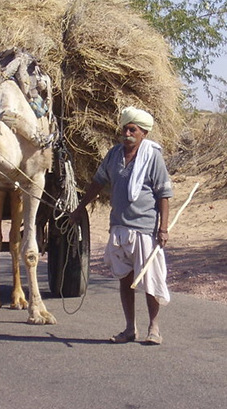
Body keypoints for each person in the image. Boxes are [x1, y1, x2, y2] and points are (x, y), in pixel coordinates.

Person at [69, 106, 173, 345]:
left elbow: (164, 194)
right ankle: (129, 329)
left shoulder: (152, 156)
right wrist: (79, 208)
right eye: (125, 128)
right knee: (125, 279)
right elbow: (98, 182)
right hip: (119, 227)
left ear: (143, 133)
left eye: (132, 129)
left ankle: (154, 328)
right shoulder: (114, 155)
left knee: (150, 280)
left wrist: (163, 228)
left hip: (146, 229)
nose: (127, 132)